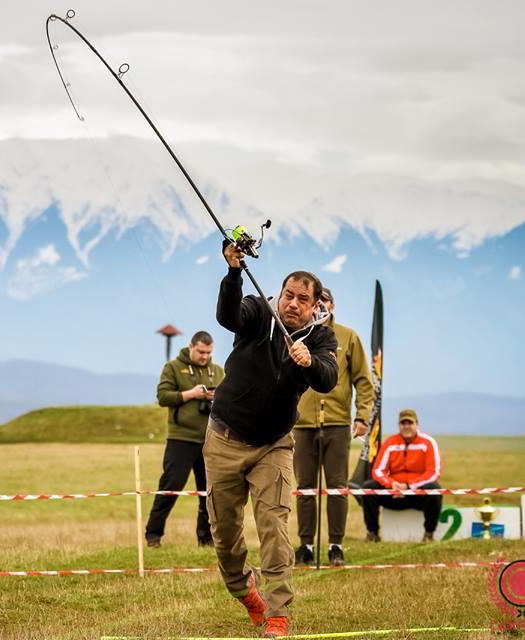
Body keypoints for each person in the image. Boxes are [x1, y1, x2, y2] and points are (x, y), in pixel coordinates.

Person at [204, 241, 338, 639]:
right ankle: (244, 591)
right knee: (225, 535)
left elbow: (327, 378)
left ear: (315, 306)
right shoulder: (259, 312)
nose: (293, 304)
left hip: (274, 446)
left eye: (303, 299)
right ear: (279, 295)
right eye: (288, 295)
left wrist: (309, 361)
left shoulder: (320, 339)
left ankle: (278, 614)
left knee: (274, 528)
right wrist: (232, 272)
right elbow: (228, 316)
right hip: (224, 437)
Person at [292, 287, 374, 567]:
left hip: (338, 424)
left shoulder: (348, 336)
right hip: (301, 424)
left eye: (325, 301)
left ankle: (336, 545)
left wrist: (362, 416)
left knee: (337, 487)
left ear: (333, 305)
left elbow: (364, 380)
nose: (322, 306)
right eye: (318, 302)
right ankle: (305, 546)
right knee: (304, 488)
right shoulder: (299, 333)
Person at [146, 331, 225, 548]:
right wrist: (191, 394)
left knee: (208, 492)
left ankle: (206, 538)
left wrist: (215, 396)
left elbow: (229, 398)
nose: (204, 356)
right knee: (170, 486)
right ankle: (153, 535)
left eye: (208, 352)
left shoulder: (217, 371)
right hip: (181, 439)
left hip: (210, 439)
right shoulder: (173, 367)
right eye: (200, 351)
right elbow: (162, 397)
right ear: (191, 346)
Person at [360, 409, 443, 542]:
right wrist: (391, 484)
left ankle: (429, 534)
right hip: (394, 494)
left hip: (417, 495)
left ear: (417, 424)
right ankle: (372, 533)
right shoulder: (390, 442)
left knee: (434, 488)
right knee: (368, 486)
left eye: (410, 423)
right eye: (403, 423)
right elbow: (378, 470)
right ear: (399, 425)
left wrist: (409, 486)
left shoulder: (428, 443)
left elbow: (433, 473)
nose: (406, 427)